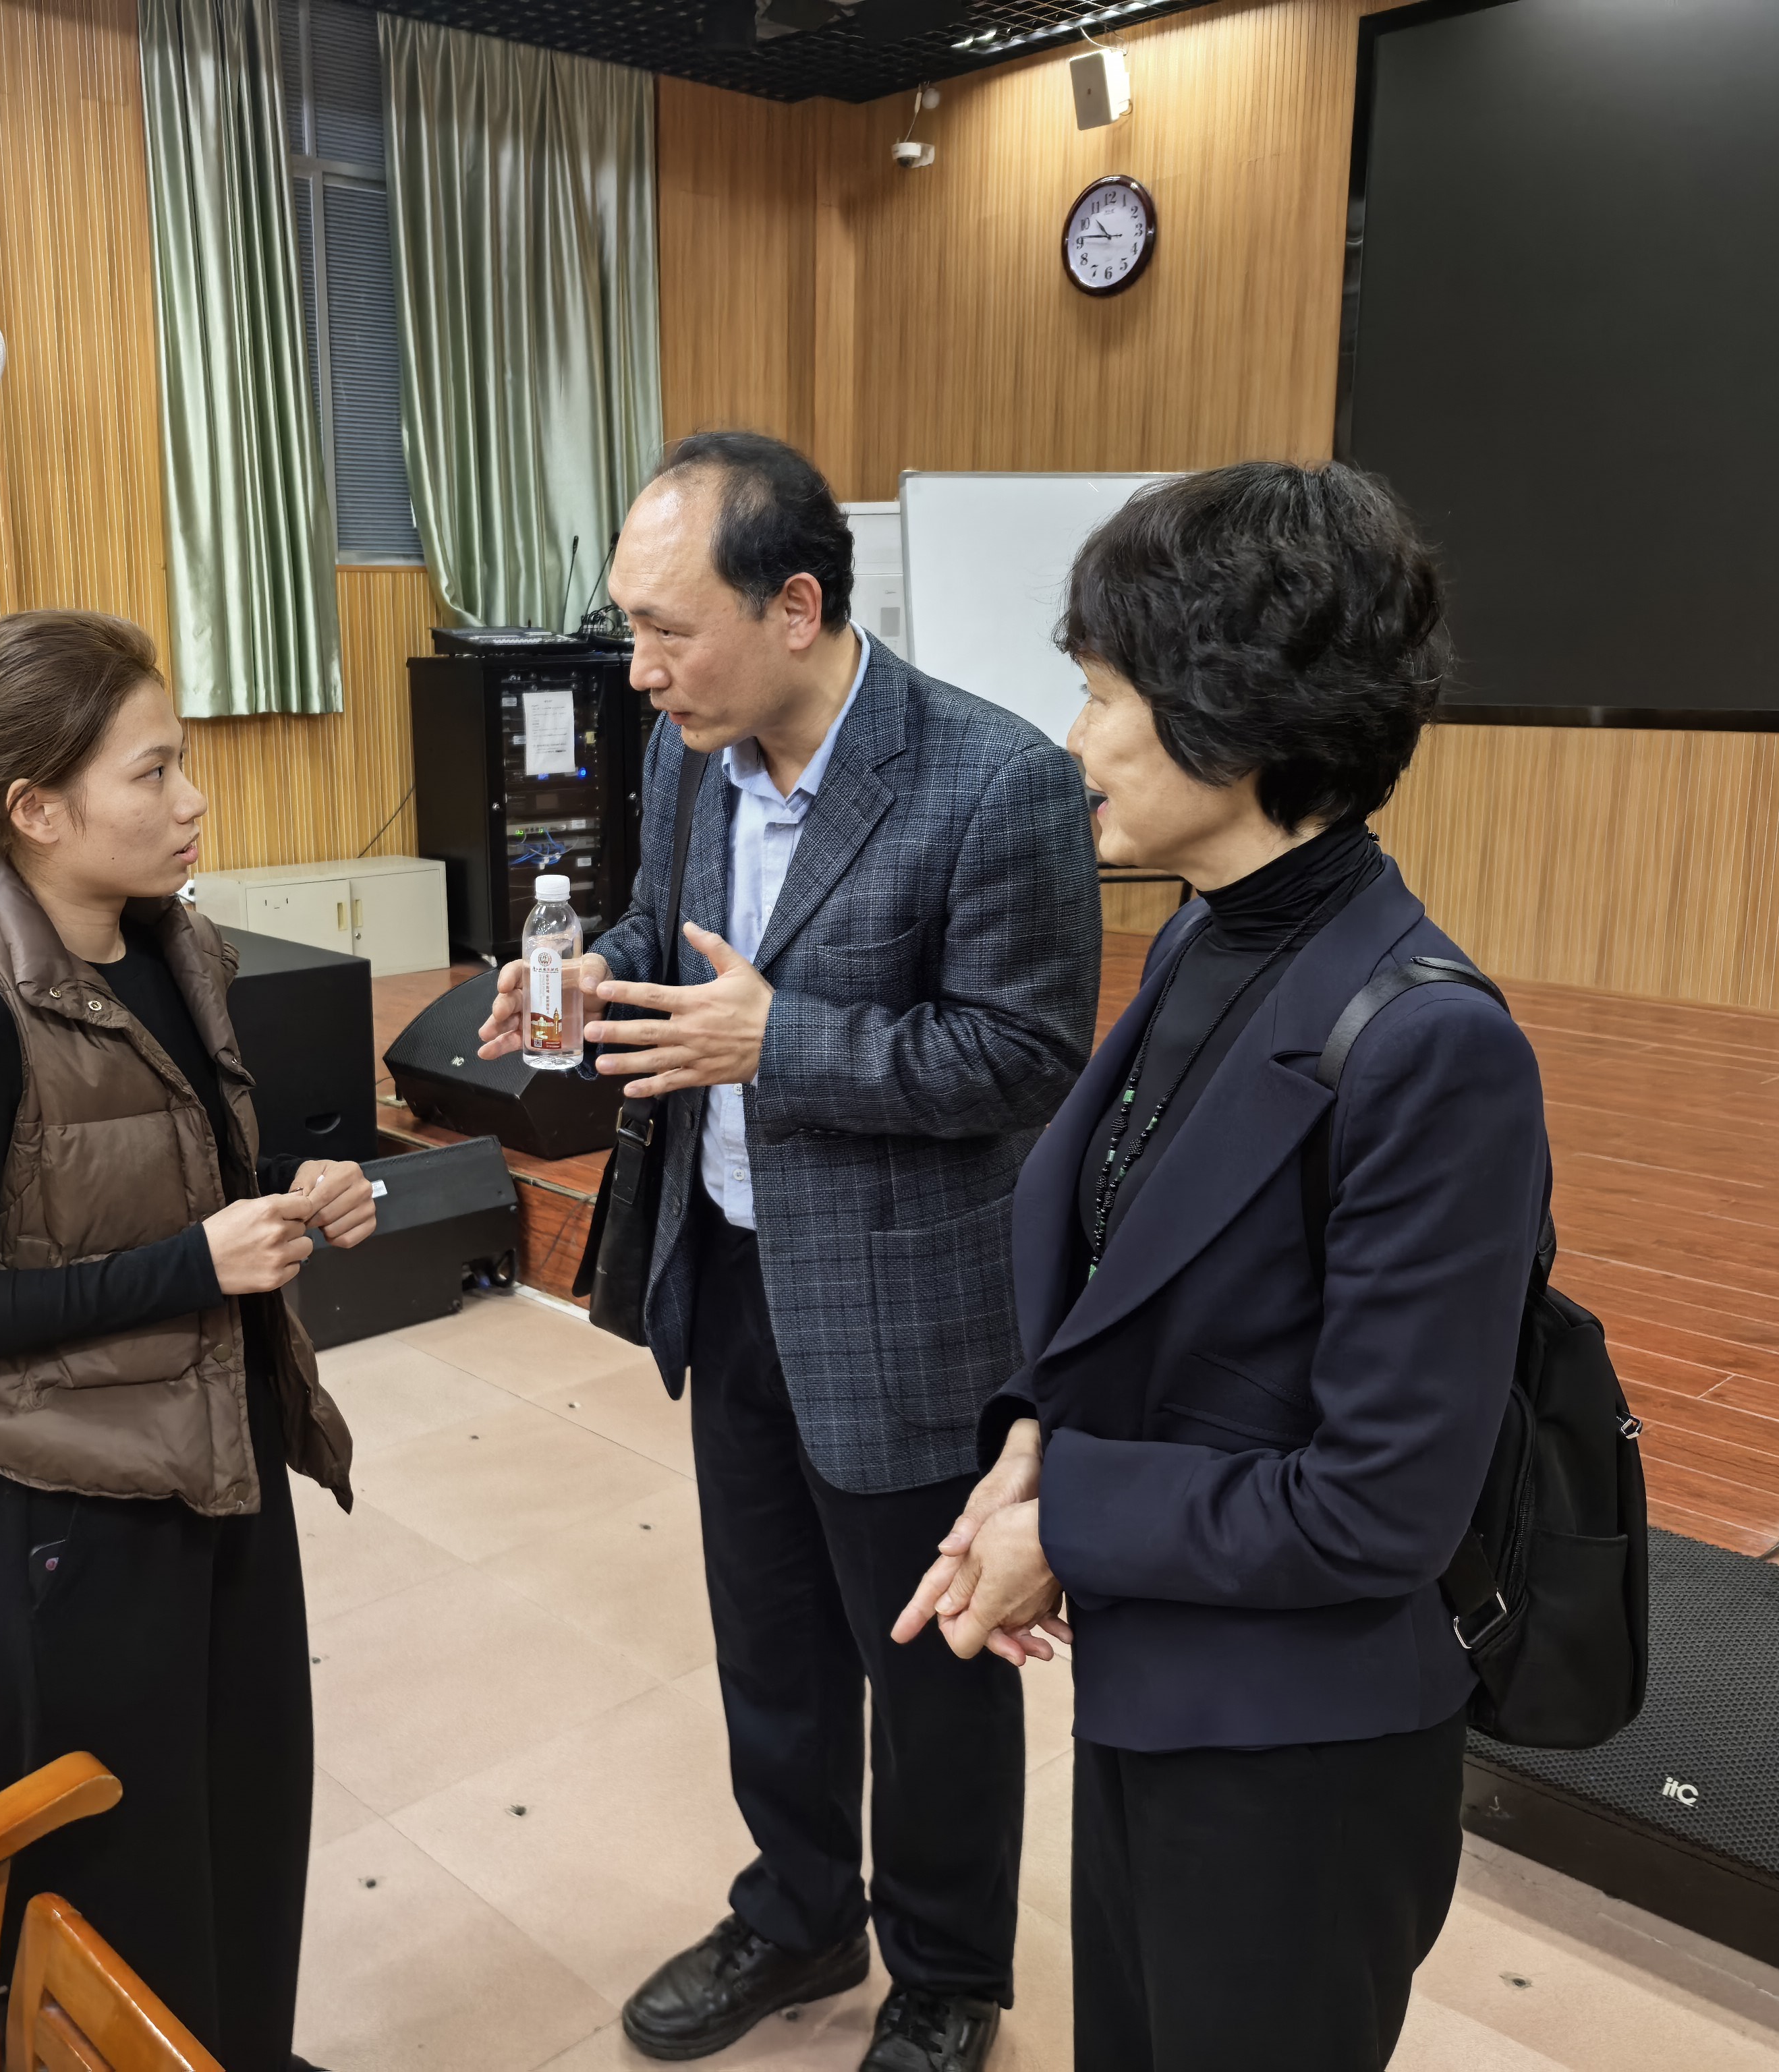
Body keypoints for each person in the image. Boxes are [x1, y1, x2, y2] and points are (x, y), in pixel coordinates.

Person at [894, 462, 1552, 2072]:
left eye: (1100, 694)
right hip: (1157, 1683)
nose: (1071, 741)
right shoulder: (1206, 925)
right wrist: (1031, 1445)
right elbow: (1125, 1262)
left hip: (1300, 1754)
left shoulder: (1432, 1047)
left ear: (1234, 718)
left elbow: (1375, 1508)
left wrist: (1066, 1528)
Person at [479, 432, 1100, 2072]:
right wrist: (582, 978)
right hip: (727, 1262)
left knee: (927, 1661)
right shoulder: (692, 748)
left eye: (666, 630)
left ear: (797, 608)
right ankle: (801, 1908)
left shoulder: (993, 782)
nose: (637, 668)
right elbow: (657, 930)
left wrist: (782, 1044)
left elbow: (1024, 1058)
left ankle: (949, 1974)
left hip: (906, 1306)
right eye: (629, 624)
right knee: (766, 1634)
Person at [0, 610, 374, 2072]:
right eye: (151, 773)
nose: (190, 799)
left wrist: (291, 1196)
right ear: (37, 810)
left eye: (182, 762)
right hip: (75, 1506)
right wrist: (192, 1265)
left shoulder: (181, 947)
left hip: (223, 1451)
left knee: (250, 1810)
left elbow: (172, 1185)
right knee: (119, 1877)